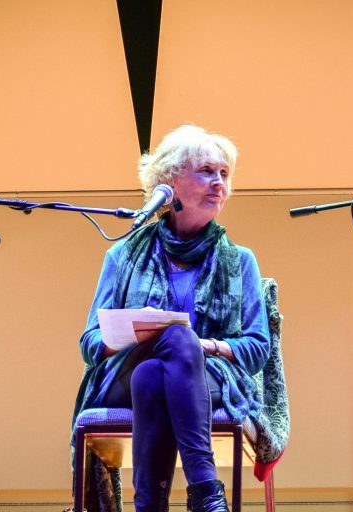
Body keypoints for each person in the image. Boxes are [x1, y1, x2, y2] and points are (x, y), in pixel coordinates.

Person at [72, 125, 271, 512]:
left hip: (210, 377)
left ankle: (150, 505)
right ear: (169, 182)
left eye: (224, 174)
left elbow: (257, 348)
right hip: (123, 374)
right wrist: (129, 334)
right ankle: (205, 491)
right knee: (165, 349)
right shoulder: (123, 256)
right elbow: (89, 343)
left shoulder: (240, 260)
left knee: (161, 367)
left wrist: (204, 345)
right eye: (206, 171)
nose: (218, 183)